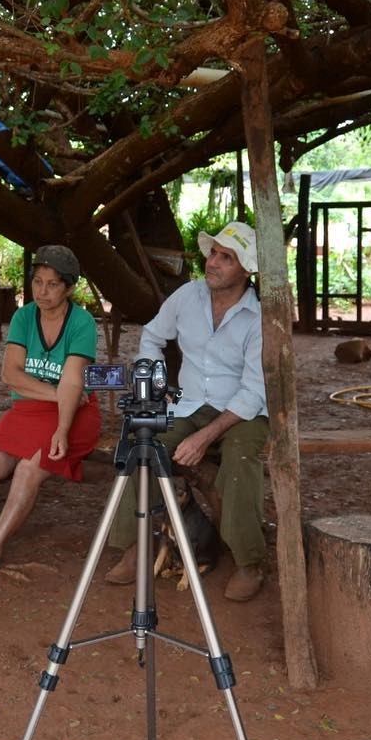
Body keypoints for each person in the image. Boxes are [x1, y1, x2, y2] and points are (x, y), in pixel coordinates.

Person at [103, 222, 270, 602]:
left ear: (245, 270)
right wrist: (155, 383)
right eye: (213, 253)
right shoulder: (187, 296)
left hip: (243, 411)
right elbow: (152, 337)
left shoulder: (258, 317)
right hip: (190, 402)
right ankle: (136, 545)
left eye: (226, 258)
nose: (213, 263)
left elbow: (254, 390)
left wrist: (204, 436)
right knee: (140, 443)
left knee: (240, 460)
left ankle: (248, 561)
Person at [0, 245, 101, 577]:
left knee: (30, 468)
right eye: (37, 281)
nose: (41, 292)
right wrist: (56, 394)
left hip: (74, 415)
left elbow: (74, 382)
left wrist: (61, 425)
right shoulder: (23, 316)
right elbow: (10, 375)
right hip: (35, 408)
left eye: (52, 284)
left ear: (69, 288)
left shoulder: (83, 322)